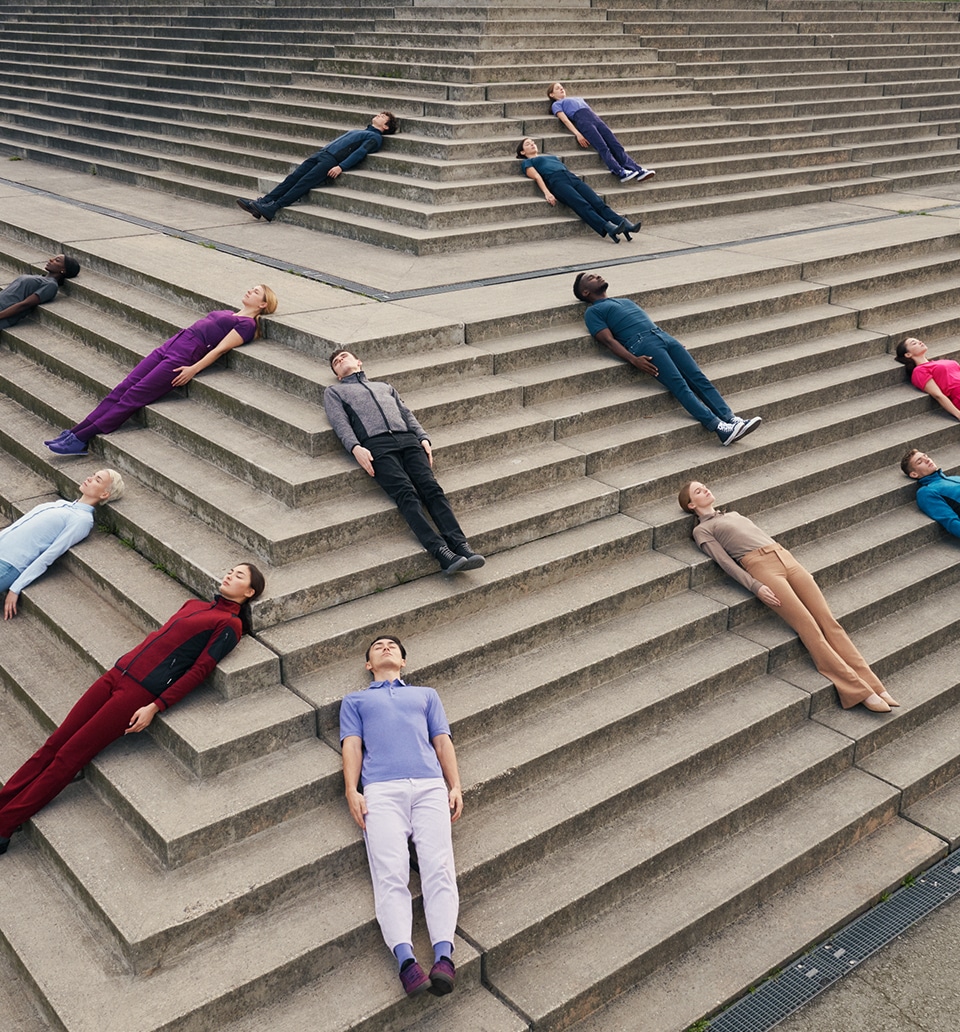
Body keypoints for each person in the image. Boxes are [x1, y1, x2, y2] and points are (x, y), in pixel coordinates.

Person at [0, 563, 265, 855]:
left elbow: (199, 670)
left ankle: (4, 825)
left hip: (138, 693)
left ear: (249, 592)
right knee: (54, 743)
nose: (229, 575)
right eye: (230, 570)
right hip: (116, 675)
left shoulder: (230, 625)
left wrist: (156, 705)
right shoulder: (195, 605)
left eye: (239, 576)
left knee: (68, 757)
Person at [679, 480, 899, 712]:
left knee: (829, 623)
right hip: (760, 566)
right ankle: (857, 690)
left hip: (784, 557)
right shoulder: (701, 530)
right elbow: (725, 563)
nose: (705, 489)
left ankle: (875, 685)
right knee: (809, 627)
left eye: (704, 486)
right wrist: (755, 586)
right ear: (691, 504)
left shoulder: (733, 514)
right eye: (698, 491)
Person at [340, 635, 462, 998]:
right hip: (381, 790)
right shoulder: (355, 700)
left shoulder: (426, 695)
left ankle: (444, 956)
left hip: (428, 786)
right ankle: (406, 961)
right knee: (390, 871)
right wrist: (352, 790)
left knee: (438, 866)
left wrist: (454, 785)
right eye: (377, 647)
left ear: (403, 662)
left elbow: (442, 741)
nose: (386, 648)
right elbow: (352, 745)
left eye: (393, 646)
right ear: (368, 665)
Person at [45, 285, 277, 455]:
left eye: (256, 292)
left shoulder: (247, 325)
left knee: (134, 396)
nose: (249, 291)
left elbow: (220, 350)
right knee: (122, 388)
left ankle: (83, 439)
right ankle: (75, 432)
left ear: (263, 305)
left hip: (185, 355)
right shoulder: (230, 313)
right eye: (251, 288)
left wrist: (193, 370)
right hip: (173, 344)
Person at [323, 350, 485, 575]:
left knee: (432, 489)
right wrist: (355, 448)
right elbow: (340, 423)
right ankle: (442, 553)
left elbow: (407, 413)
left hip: (408, 440)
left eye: (343, 356)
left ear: (359, 361)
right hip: (376, 445)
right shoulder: (335, 391)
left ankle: (461, 546)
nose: (340, 360)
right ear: (338, 375)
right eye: (335, 363)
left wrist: (423, 437)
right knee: (406, 494)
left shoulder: (385, 387)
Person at [574, 272, 762, 445]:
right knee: (679, 385)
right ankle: (720, 428)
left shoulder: (625, 300)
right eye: (591, 278)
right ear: (585, 291)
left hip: (662, 337)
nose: (597, 276)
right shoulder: (593, 312)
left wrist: (670, 339)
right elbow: (607, 341)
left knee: (698, 378)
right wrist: (633, 359)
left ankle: (731, 419)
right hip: (643, 344)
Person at [0, 469, 124, 620]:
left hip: (9, 565)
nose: (89, 478)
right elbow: (16, 527)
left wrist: (16, 588)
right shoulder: (61, 504)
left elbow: (50, 554)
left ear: (104, 494)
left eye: (97, 480)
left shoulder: (82, 520)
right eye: (92, 475)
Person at [235, 111, 399, 222]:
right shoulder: (363, 131)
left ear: (386, 127)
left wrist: (340, 166)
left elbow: (360, 153)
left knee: (303, 183)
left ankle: (273, 207)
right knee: (292, 178)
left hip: (331, 160)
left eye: (382, 116)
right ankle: (263, 202)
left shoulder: (375, 138)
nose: (378, 115)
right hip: (322, 154)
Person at [517, 138, 641, 243]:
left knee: (597, 202)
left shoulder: (552, 157)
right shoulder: (527, 162)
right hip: (556, 181)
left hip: (571, 177)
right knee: (582, 204)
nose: (532, 144)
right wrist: (547, 193)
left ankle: (625, 224)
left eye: (533, 142)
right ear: (522, 152)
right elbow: (537, 176)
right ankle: (607, 227)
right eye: (527, 144)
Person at [547, 82, 655, 184]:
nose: (561, 89)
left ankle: (638, 170)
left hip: (596, 119)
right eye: (557, 88)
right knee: (603, 147)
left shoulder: (577, 98)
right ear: (551, 94)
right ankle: (619, 171)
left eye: (562, 87)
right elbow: (565, 120)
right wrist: (577, 133)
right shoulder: (557, 104)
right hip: (583, 122)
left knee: (615, 145)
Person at [0, 254, 81, 330]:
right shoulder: (40, 278)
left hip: (3, 312)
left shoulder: (51, 285)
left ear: (63, 270)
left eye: (57, 260)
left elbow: (25, 304)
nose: (51, 260)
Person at [894, 338, 960, 420]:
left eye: (919, 341)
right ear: (908, 354)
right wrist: (958, 414)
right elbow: (937, 395)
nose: (920, 342)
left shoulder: (938, 362)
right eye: (914, 343)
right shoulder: (919, 370)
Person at [901, 448, 960, 537]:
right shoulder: (926, 492)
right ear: (914, 474)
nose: (927, 460)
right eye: (920, 462)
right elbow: (950, 521)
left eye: (926, 456)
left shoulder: (954, 478)